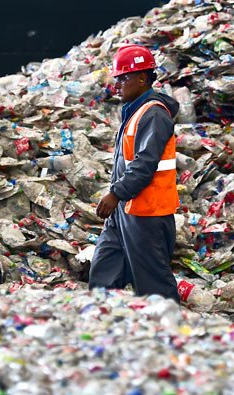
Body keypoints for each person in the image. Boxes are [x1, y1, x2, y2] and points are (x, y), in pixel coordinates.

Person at [89, 44, 181, 301]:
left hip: (147, 213)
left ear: (142, 78)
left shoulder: (154, 115)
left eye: (123, 78)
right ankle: (105, 319)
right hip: (124, 210)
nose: (117, 85)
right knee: (104, 272)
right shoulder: (135, 112)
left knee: (153, 284)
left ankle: (168, 324)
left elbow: (144, 164)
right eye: (116, 79)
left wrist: (116, 193)